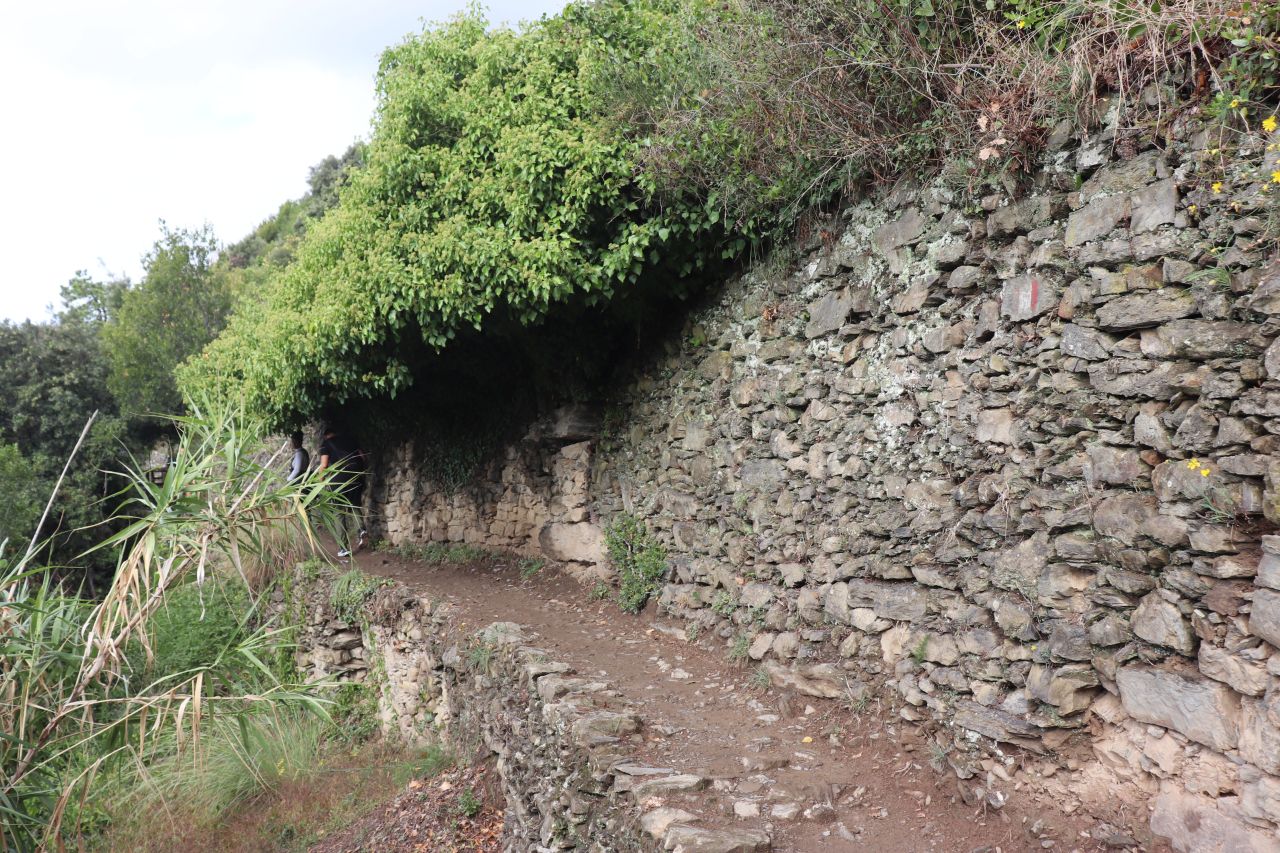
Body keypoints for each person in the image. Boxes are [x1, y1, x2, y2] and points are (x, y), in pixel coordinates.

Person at [317, 423, 367, 558]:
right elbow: (362, 457)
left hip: (338, 479)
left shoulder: (326, 444)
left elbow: (324, 464)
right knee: (354, 504)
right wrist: (361, 473)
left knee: (339, 513)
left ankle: (344, 548)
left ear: (326, 436)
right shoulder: (350, 440)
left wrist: (320, 483)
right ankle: (361, 529)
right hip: (356, 475)